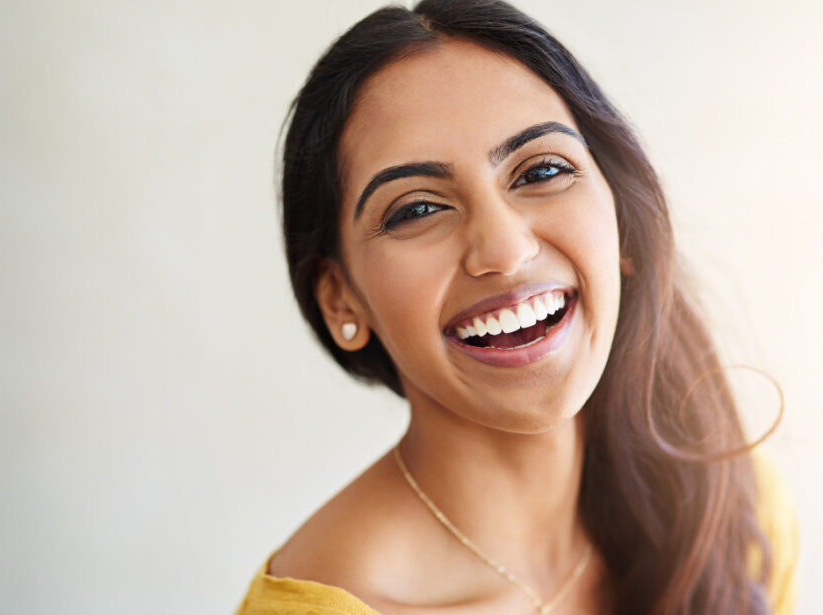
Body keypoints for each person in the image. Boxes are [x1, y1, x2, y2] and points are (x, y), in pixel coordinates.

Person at [236, 1, 798, 613]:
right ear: (340, 297)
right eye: (417, 209)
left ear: (623, 229)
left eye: (542, 170)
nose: (504, 250)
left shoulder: (735, 511)